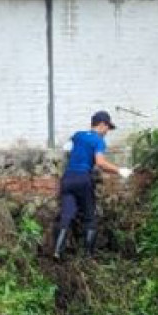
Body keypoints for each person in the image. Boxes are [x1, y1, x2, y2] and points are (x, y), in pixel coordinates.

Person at [54, 110, 133, 259]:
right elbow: (100, 163)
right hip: (83, 179)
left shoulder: (78, 135)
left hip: (67, 179)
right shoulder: (98, 141)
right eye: (108, 128)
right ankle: (88, 257)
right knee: (90, 217)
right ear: (102, 125)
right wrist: (120, 170)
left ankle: (57, 251)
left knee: (67, 214)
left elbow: (66, 148)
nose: (107, 132)